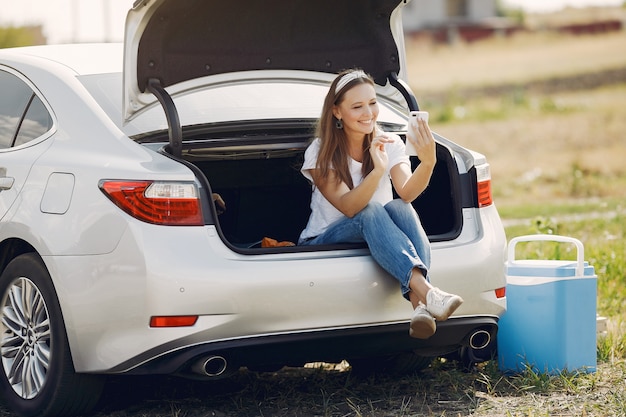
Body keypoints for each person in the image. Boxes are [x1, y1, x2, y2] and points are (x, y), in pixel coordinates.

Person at [298, 69, 463, 339]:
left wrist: (428, 162)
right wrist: (377, 170)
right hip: (324, 238)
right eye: (357, 106)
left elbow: (407, 192)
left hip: (377, 232)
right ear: (337, 112)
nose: (369, 112)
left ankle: (420, 307)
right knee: (371, 210)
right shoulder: (320, 151)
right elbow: (349, 207)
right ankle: (429, 293)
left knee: (400, 207)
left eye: (373, 102)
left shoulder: (390, 141)